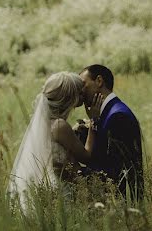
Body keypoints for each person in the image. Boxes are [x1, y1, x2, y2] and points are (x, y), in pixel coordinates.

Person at [6, 72, 102, 209]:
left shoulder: (44, 123)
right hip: (63, 194)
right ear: (70, 99)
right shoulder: (59, 126)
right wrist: (94, 121)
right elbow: (86, 156)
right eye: (79, 93)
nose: (83, 96)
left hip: (51, 190)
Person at [77, 65, 144, 202]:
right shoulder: (108, 112)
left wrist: (77, 173)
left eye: (83, 84)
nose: (81, 91)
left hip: (121, 202)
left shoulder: (117, 115)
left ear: (99, 81)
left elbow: (115, 168)